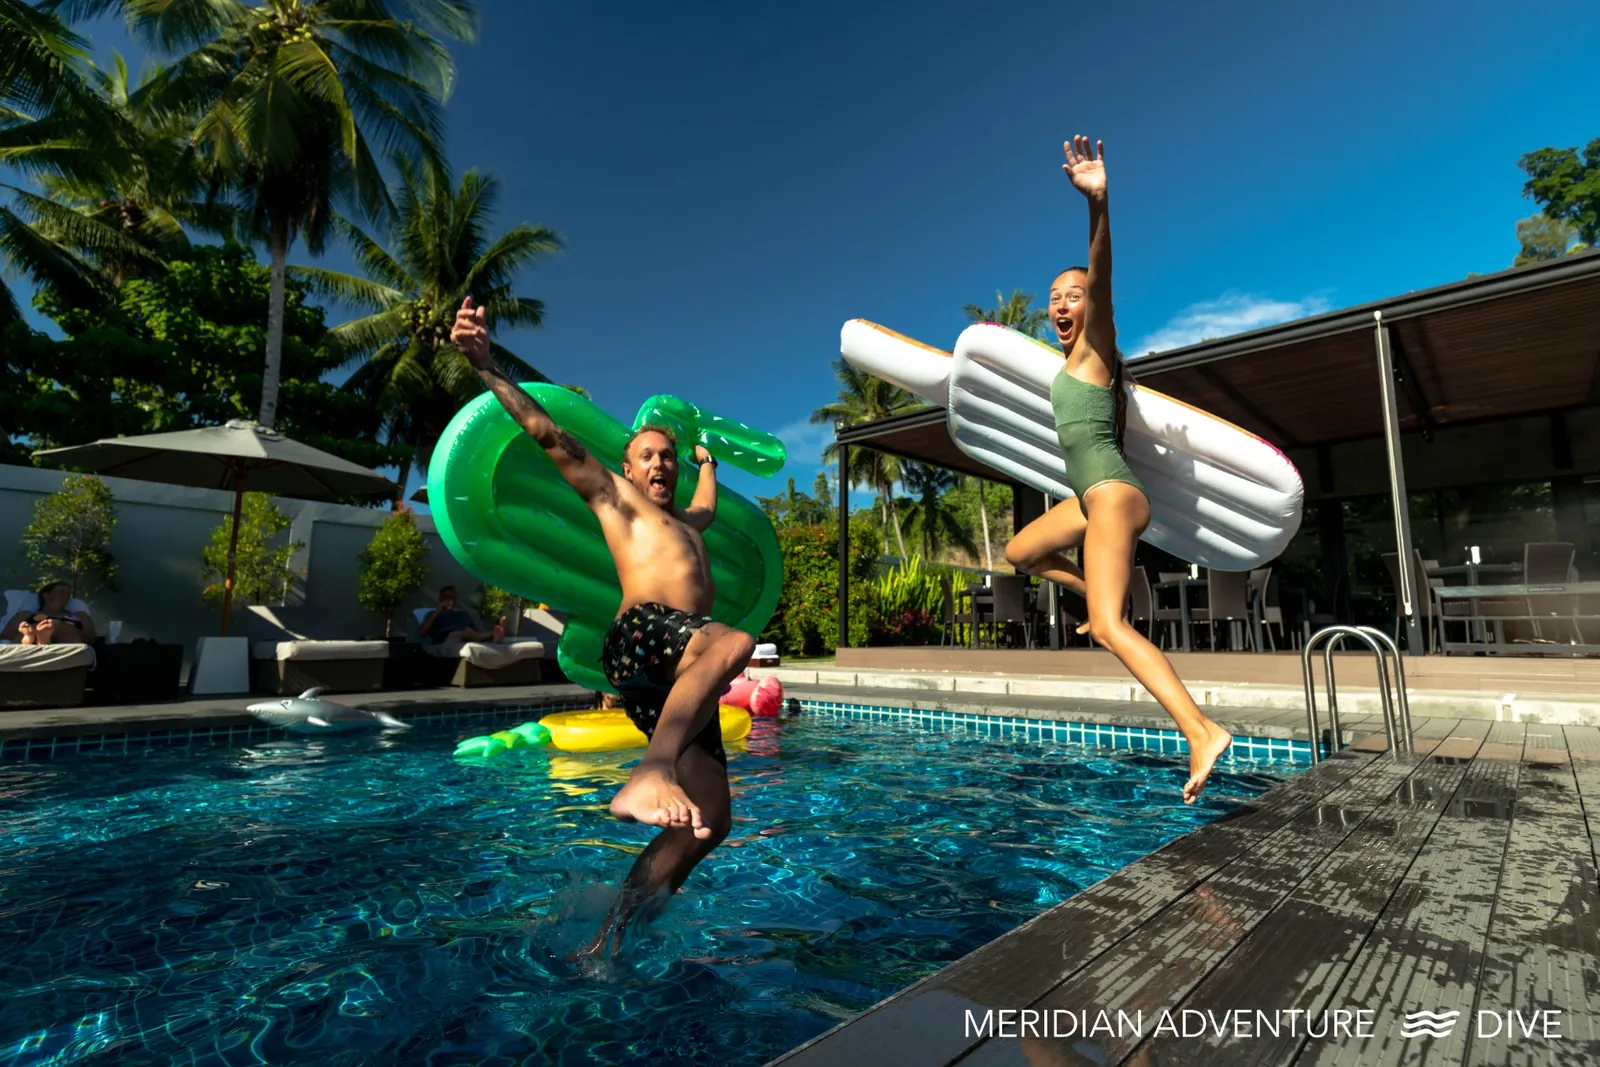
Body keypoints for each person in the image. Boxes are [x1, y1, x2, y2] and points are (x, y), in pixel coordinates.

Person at [451, 296, 756, 958]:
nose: (658, 465)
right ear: (626, 467)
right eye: (647, 456)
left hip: (678, 668)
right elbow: (545, 433)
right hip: (645, 634)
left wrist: (707, 463)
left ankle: (607, 943)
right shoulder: (617, 503)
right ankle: (651, 768)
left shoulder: (689, 522)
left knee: (710, 825)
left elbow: (705, 504)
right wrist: (485, 364)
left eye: (666, 459)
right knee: (734, 641)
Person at [1004, 135, 1232, 804]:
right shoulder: (1063, 367)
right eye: (1053, 297)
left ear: (1090, 308)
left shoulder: (1096, 354)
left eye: (1070, 295)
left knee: (1108, 628)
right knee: (1020, 550)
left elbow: (1102, 276)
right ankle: (1101, 595)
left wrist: (1098, 205)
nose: (1061, 304)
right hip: (1091, 496)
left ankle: (1200, 728)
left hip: (1111, 494)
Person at [3, 581, 95, 646]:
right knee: (26, 631)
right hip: (29, 646)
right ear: (46, 595)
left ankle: (43, 639)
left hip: (66, 645)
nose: (66, 595)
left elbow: (90, 639)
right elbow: (5, 635)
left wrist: (61, 627)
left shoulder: (80, 615)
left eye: (68, 593)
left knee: (58, 627)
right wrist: (32, 629)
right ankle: (33, 638)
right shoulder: (25, 615)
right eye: (62, 592)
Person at [418, 585, 505, 645]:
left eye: (453, 598)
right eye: (447, 597)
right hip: (447, 638)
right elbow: (422, 631)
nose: (450, 600)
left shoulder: (463, 614)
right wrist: (437, 611)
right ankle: (493, 634)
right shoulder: (433, 615)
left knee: (471, 633)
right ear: (441, 599)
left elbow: (478, 630)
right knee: (463, 633)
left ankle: (495, 635)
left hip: (468, 636)